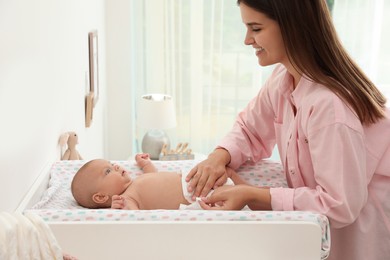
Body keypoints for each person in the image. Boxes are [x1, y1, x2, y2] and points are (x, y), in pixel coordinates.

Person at [185, 1, 390, 259]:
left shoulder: (329, 106)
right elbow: (250, 128)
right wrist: (219, 156)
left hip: (362, 233)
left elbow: (339, 205)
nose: (247, 40)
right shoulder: (284, 78)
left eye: (256, 28)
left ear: (292, 27)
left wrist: (255, 195)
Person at [71, 153, 242, 210]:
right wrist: (121, 206)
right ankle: (253, 197)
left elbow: (153, 175)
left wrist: (146, 163)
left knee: (227, 173)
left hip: (194, 182)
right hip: (196, 195)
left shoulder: (136, 182)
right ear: (101, 197)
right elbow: (134, 217)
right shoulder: (128, 198)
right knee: (232, 193)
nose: (115, 166)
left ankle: (254, 192)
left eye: (111, 164)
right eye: (107, 171)